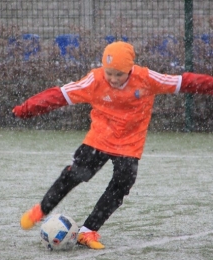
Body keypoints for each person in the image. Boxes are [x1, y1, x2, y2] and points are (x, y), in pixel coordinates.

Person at [12, 41, 213, 250]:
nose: (113, 79)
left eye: (119, 74)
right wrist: (26, 109)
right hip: (99, 138)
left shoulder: (146, 78)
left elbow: (186, 82)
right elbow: (59, 95)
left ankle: (88, 231)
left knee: (122, 183)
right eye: (109, 73)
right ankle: (41, 210)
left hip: (129, 144)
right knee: (76, 174)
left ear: (130, 69)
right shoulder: (94, 80)